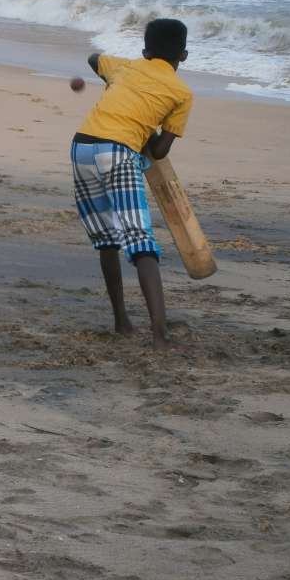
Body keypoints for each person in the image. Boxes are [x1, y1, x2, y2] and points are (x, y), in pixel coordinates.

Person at [71, 18, 192, 346]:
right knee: (140, 241)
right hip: (119, 152)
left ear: (144, 50)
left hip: (81, 146)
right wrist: (147, 120)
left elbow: (93, 59)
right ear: (183, 55)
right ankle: (159, 335)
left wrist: (113, 84)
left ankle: (122, 322)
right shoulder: (181, 93)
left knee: (107, 238)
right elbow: (159, 150)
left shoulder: (122, 67)